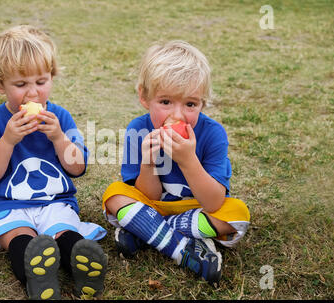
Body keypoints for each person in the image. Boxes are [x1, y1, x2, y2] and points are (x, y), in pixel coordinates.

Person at [0, 25, 107, 300]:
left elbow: (77, 168)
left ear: (52, 78)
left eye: (41, 82)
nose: (32, 93)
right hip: (6, 205)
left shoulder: (61, 118)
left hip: (54, 203)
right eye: (20, 85)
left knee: (63, 232)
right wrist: (7, 140)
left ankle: (83, 267)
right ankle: (37, 277)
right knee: (20, 237)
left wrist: (58, 138)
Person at [102, 40, 250, 286]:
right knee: (114, 195)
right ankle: (183, 250)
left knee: (237, 215)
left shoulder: (213, 133)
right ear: (144, 97)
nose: (178, 115)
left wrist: (188, 160)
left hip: (198, 209)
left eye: (190, 104)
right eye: (166, 102)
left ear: (202, 103)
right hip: (154, 205)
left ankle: (143, 230)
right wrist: (148, 165)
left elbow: (213, 202)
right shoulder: (138, 130)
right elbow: (148, 196)